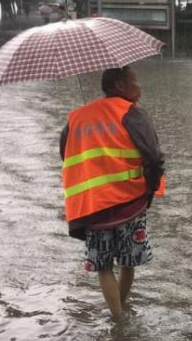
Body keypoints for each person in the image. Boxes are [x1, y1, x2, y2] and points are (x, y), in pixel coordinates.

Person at [60, 66, 165, 318]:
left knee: (104, 267)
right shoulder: (133, 114)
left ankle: (117, 319)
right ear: (119, 86)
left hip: (93, 208)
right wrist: (149, 192)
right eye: (134, 81)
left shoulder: (77, 117)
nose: (139, 87)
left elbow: (66, 152)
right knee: (127, 262)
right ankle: (122, 316)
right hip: (129, 204)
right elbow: (153, 156)